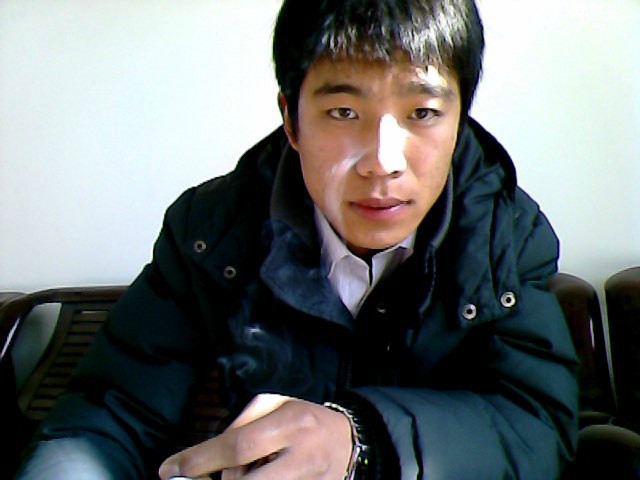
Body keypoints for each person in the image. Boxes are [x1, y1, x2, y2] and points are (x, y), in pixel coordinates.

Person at [14, 0, 579, 478]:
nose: (383, 162)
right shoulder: (211, 232)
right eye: (343, 111)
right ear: (291, 118)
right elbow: (109, 413)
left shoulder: (504, 235)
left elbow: (536, 429)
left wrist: (361, 438)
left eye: (423, 112)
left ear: (460, 120)